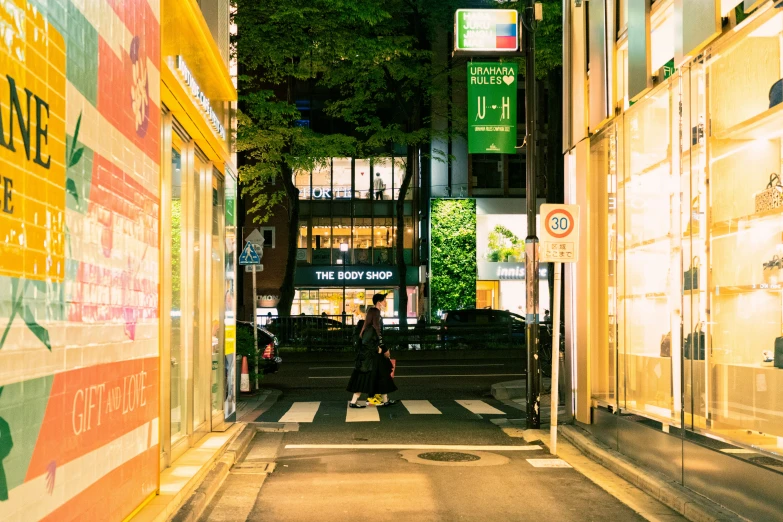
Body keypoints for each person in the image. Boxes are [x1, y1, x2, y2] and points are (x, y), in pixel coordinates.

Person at [354, 293, 397, 407]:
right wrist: (384, 349)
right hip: (374, 352)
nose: (386, 302)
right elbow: (378, 333)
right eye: (384, 300)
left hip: (374, 351)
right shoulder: (376, 312)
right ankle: (356, 400)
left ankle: (384, 399)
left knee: (381, 374)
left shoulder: (372, 313)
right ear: (379, 302)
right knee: (368, 376)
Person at [346, 320, 373, 408]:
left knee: (361, 380)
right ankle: (355, 402)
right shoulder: (364, 335)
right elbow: (368, 345)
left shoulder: (357, 334)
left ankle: (356, 401)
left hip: (360, 360)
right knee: (362, 381)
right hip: (365, 360)